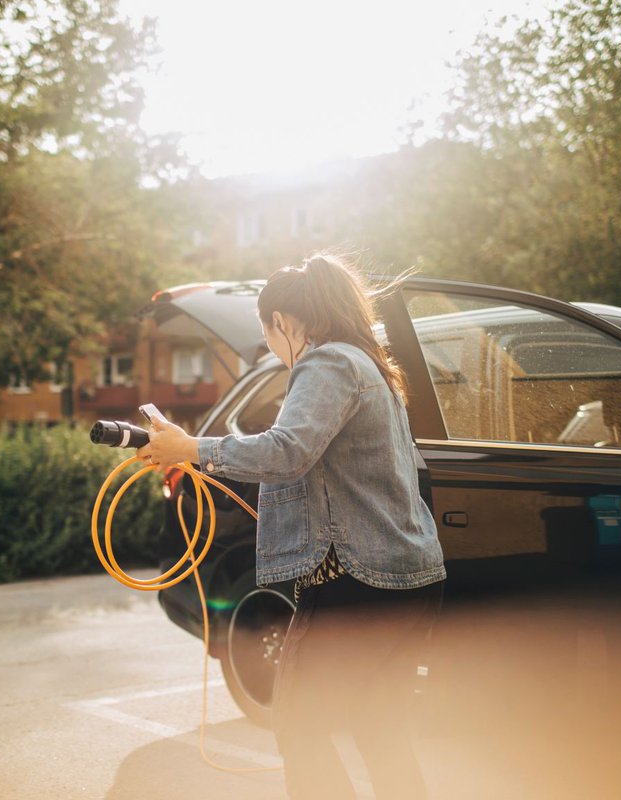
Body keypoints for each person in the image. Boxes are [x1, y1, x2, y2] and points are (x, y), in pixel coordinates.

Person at [139, 253, 446, 799]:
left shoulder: (327, 363)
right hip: (411, 577)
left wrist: (191, 446)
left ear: (282, 321)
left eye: (268, 333)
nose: (274, 350)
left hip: (357, 582)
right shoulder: (372, 367)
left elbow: (287, 451)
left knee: (300, 724)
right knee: (382, 731)